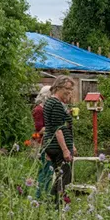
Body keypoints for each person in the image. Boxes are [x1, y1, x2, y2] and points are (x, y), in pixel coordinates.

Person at [36, 76, 76, 204]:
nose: (69, 92)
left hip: (51, 144)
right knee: (64, 177)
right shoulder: (56, 104)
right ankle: (54, 204)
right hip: (57, 146)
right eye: (67, 89)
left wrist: (72, 145)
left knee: (60, 175)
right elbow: (58, 129)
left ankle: (53, 202)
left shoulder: (49, 103)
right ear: (58, 87)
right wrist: (65, 150)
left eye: (71, 89)